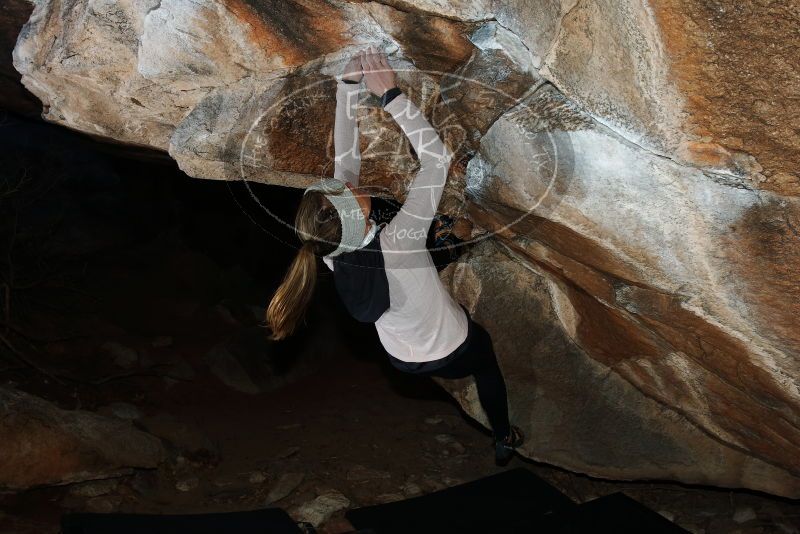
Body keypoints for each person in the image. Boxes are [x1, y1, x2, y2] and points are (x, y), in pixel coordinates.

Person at [266, 45, 524, 466]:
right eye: (350, 191)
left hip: (402, 362)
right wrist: (391, 96)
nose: (352, 183)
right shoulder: (399, 240)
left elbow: (344, 162)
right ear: (357, 216)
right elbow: (435, 161)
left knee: (427, 271)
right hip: (453, 348)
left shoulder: (330, 249)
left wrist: (347, 88)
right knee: (486, 364)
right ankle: (504, 435)